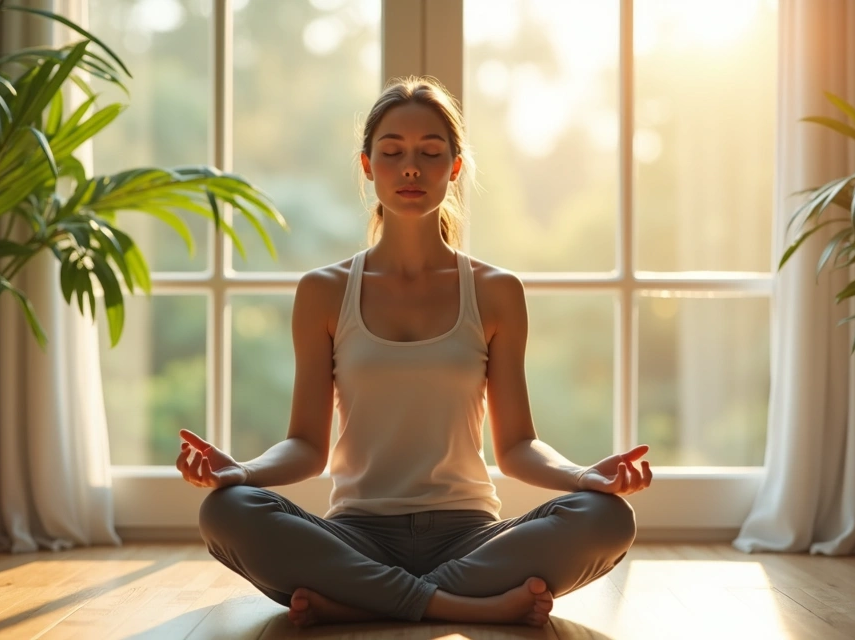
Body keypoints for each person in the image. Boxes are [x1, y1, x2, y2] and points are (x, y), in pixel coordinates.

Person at [176, 76, 653, 628]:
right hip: (355, 533)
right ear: (366, 164)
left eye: (430, 153)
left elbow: (518, 446)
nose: (411, 168)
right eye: (393, 152)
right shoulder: (324, 291)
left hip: (471, 537)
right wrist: (241, 471)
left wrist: (584, 477)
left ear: (454, 167)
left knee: (608, 518)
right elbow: (307, 447)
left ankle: (360, 602)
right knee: (227, 510)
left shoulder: (496, 291)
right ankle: (454, 606)